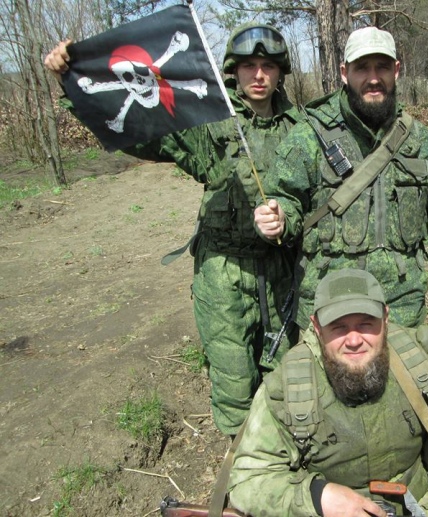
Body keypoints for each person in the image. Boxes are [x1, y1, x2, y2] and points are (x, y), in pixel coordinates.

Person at [44, 23, 302, 437]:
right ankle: (240, 461)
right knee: (235, 382)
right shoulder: (208, 117)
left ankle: (282, 458)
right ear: (233, 70)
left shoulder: (299, 128)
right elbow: (144, 133)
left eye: (268, 66)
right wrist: (72, 82)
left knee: (287, 379)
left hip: (282, 273)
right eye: (249, 66)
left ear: (281, 72)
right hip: (223, 274)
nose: (258, 75)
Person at [227, 268, 428, 517]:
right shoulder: (290, 386)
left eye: (366, 324)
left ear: (385, 317)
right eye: (338, 327)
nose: (354, 340)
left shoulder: (419, 361)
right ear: (316, 326)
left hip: (419, 503)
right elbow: (248, 480)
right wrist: (318, 497)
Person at [254, 26, 428, 331]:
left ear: (396, 70)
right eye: (362, 68)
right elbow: (284, 199)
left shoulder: (420, 140)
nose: (373, 78)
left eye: (382, 67)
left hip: (402, 310)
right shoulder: (310, 135)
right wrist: (277, 218)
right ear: (344, 73)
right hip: (331, 313)